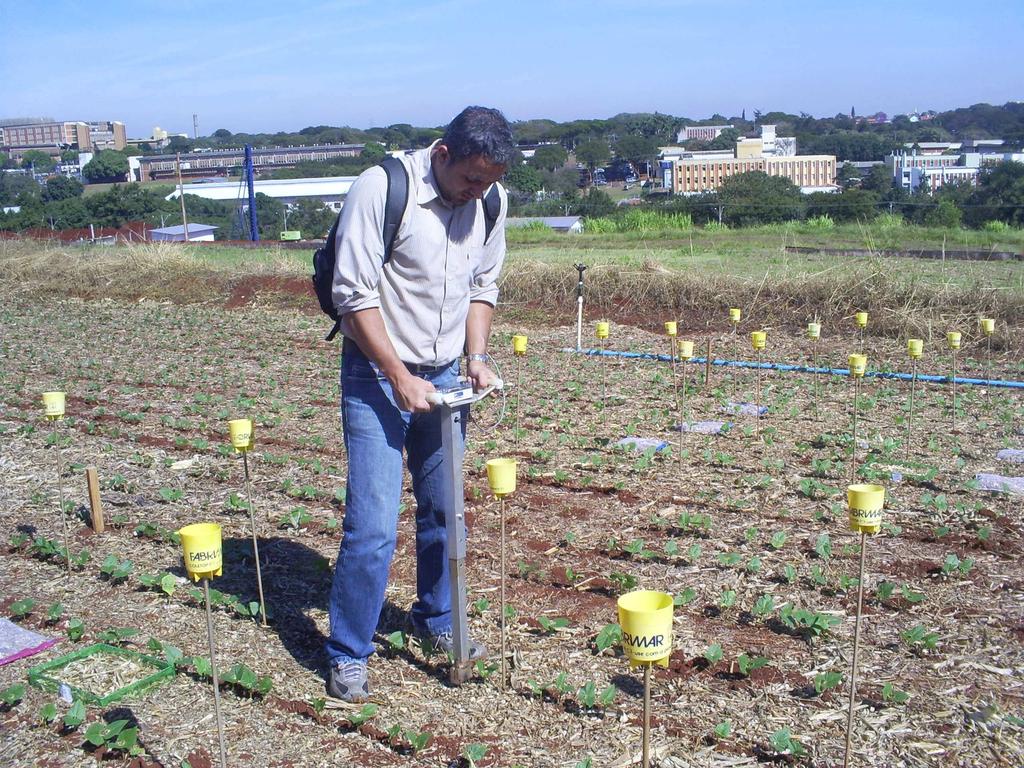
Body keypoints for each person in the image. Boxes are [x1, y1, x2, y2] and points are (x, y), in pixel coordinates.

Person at [325, 106, 514, 701]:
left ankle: (434, 620)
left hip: (444, 376)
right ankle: (349, 651)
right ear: (442, 155)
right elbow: (351, 294)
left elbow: (482, 287)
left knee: (444, 512)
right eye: (469, 180)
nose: (476, 192)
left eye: (487, 182)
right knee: (374, 526)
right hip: (377, 375)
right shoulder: (382, 188)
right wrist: (398, 375)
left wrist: (475, 357)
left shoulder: (489, 201)